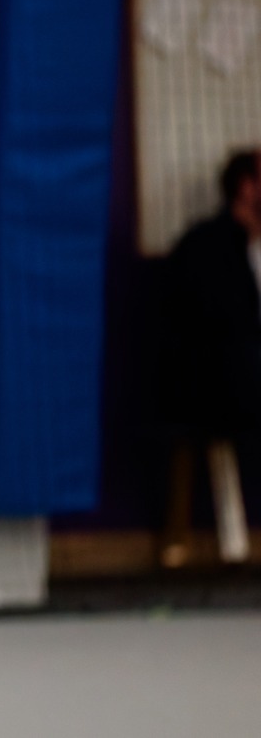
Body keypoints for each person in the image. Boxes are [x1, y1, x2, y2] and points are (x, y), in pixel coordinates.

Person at [159, 149, 261, 564]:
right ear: (245, 187)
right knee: (195, 426)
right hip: (213, 380)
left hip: (245, 376)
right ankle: (178, 542)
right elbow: (209, 324)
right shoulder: (206, 244)